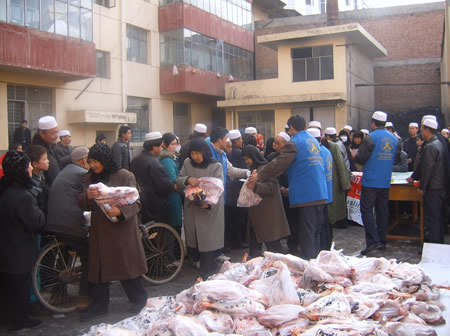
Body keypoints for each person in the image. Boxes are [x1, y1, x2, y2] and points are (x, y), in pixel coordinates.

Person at [79, 143, 147, 322]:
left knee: (126, 267)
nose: (92, 165)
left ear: (105, 160)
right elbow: (82, 203)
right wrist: (88, 196)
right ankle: (99, 307)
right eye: (90, 161)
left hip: (121, 230)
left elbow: (137, 202)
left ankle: (139, 300)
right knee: (99, 271)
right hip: (100, 231)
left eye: (95, 161)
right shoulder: (90, 178)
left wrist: (121, 212)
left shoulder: (124, 176)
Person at [249, 115, 328, 260]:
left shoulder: (294, 142)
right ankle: (316, 262)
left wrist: (259, 176)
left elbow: (279, 162)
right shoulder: (313, 141)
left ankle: (308, 267)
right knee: (316, 233)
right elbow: (304, 163)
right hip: (321, 192)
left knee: (307, 235)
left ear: (291, 128)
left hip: (307, 194)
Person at [0, 151, 45, 331]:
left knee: (5, 288)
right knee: (20, 287)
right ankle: (20, 320)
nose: (29, 168)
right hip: (18, 249)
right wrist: (40, 205)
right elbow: (37, 222)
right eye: (27, 165)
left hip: (4, 247)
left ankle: (5, 316)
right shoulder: (24, 196)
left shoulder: (4, 190)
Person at [46, 147, 91, 308]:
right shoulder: (81, 173)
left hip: (54, 222)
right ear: (83, 160)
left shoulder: (66, 171)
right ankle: (84, 297)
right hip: (69, 223)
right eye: (90, 160)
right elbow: (89, 197)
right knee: (89, 256)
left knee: (65, 256)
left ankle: (57, 294)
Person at [176, 138, 224, 278]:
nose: (195, 157)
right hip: (192, 208)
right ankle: (207, 268)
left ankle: (207, 271)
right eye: (193, 153)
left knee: (207, 242)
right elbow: (179, 179)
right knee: (195, 241)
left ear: (205, 152)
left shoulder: (216, 166)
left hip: (209, 209)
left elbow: (219, 189)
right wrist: (187, 179)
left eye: (198, 153)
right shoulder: (187, 163)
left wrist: (207, 203)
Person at [355, 111, 399, 255]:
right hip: (385, 181)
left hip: (370, 181)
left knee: (366, 210)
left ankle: (373, 241)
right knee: (382, 211)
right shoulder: (394, 139)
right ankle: (382, 240)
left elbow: (361, 158)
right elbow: (398, 158)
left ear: (373, 123)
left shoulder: (370, 138)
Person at [241, 145, 290, 258]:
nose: (247, 162)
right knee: (255, 248)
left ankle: (283, 268)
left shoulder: (265, 168)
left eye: (248, 159)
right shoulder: (255, 169)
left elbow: (272, 187)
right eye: (245, 160)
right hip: (257, 215)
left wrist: (255, 186)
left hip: (267, 215)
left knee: (273, 247)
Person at [408, 119, 447, 243]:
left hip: (433, 188)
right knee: (437, 218)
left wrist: (422, 188)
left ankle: (432, 245)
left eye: (422, 129)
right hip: (440, 187)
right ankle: (437, 243)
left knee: (432, 219)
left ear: (426, 130)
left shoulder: (431, 146)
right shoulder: (439, 143)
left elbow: (427, 169)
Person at [130, 132, 174, 224]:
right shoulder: (154, 163)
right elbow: (164, 186)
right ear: (154, 147)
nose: (162, 148)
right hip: (154, 207)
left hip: (140, 204)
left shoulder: (135, 160)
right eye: (160, 146)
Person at [267, 132, 298, 254]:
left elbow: (298, 175)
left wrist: (291, 188)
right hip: (277, 193)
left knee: (294, 221)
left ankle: (293, 246)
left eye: (278, 143)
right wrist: (279, 187)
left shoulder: (295, 158)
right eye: (275, 143)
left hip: (292, 193)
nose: (275, 146)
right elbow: (268, 174)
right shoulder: (270, 158)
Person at [307, 128, 333, 250]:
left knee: (318, 225)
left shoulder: (315, 152)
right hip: (327, 191)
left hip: (318, 193)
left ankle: (321, 249)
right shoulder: (326, 150)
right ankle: (326, 246)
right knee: (325, 223)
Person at [225, 129, 248, 250]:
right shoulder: (239, 153)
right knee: (239, 217)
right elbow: (236, 171)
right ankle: (238, 241)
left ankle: (230, 241)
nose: (241, 141)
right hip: (237, 189)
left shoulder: (225, 154)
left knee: (230, 218)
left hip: (229, 190)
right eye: (239, 139)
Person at [159, 132, 183, 232]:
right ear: (165, 144)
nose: (174, 147)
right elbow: (173, 179)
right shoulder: (167, 160)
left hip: (173, 194)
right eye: (172, 144)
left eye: (176, 144)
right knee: (174, 225)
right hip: (172, 195)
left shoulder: (171, 157)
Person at [32, 116, 60, 186]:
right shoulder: (37, 151)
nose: (57, 136)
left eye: (57, 132)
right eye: (53, 133)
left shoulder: (52, 146)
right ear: (42, 134)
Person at [27, 144, 50, 215]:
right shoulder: (30, 183)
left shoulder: (41, 175)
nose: (48, 161)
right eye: (45, 159)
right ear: (35, 164)